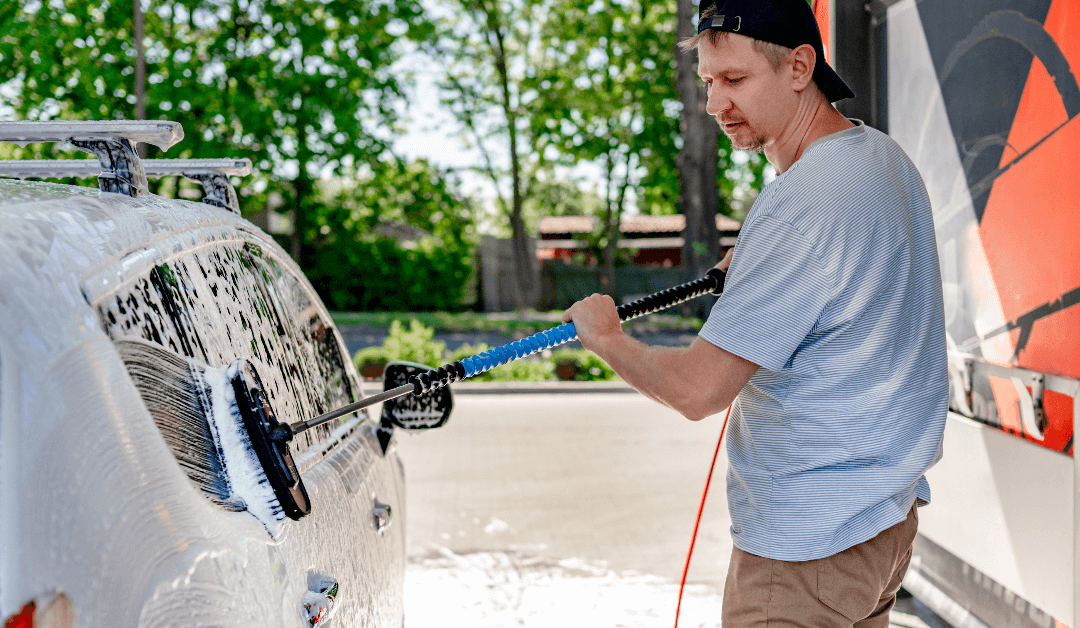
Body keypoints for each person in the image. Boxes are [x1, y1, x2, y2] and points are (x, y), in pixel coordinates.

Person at [560, 0, 949, 625]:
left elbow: (697, 391)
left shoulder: (798, 207)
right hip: (881, 532)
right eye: (709, 82)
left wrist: (607, 339)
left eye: (735, 80)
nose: (715, 106)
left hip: (803, 552)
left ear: (799, 67)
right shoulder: (882, 160)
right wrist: (765, 266)